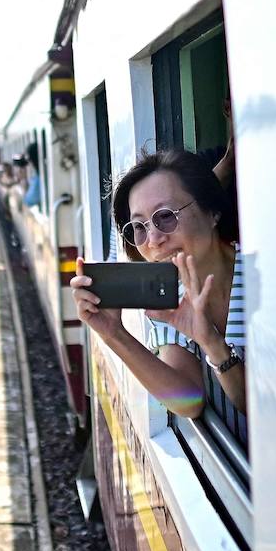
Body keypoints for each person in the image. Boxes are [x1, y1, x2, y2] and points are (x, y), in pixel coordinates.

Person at [71, 148, 245, 417]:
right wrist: (113, 334)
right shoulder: (169, 299)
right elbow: (188, 403)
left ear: (212, 212)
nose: (153, 241)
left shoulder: (265, 276)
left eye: (165, 216)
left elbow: (271, 415)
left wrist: (211, 342)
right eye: (139, 228)